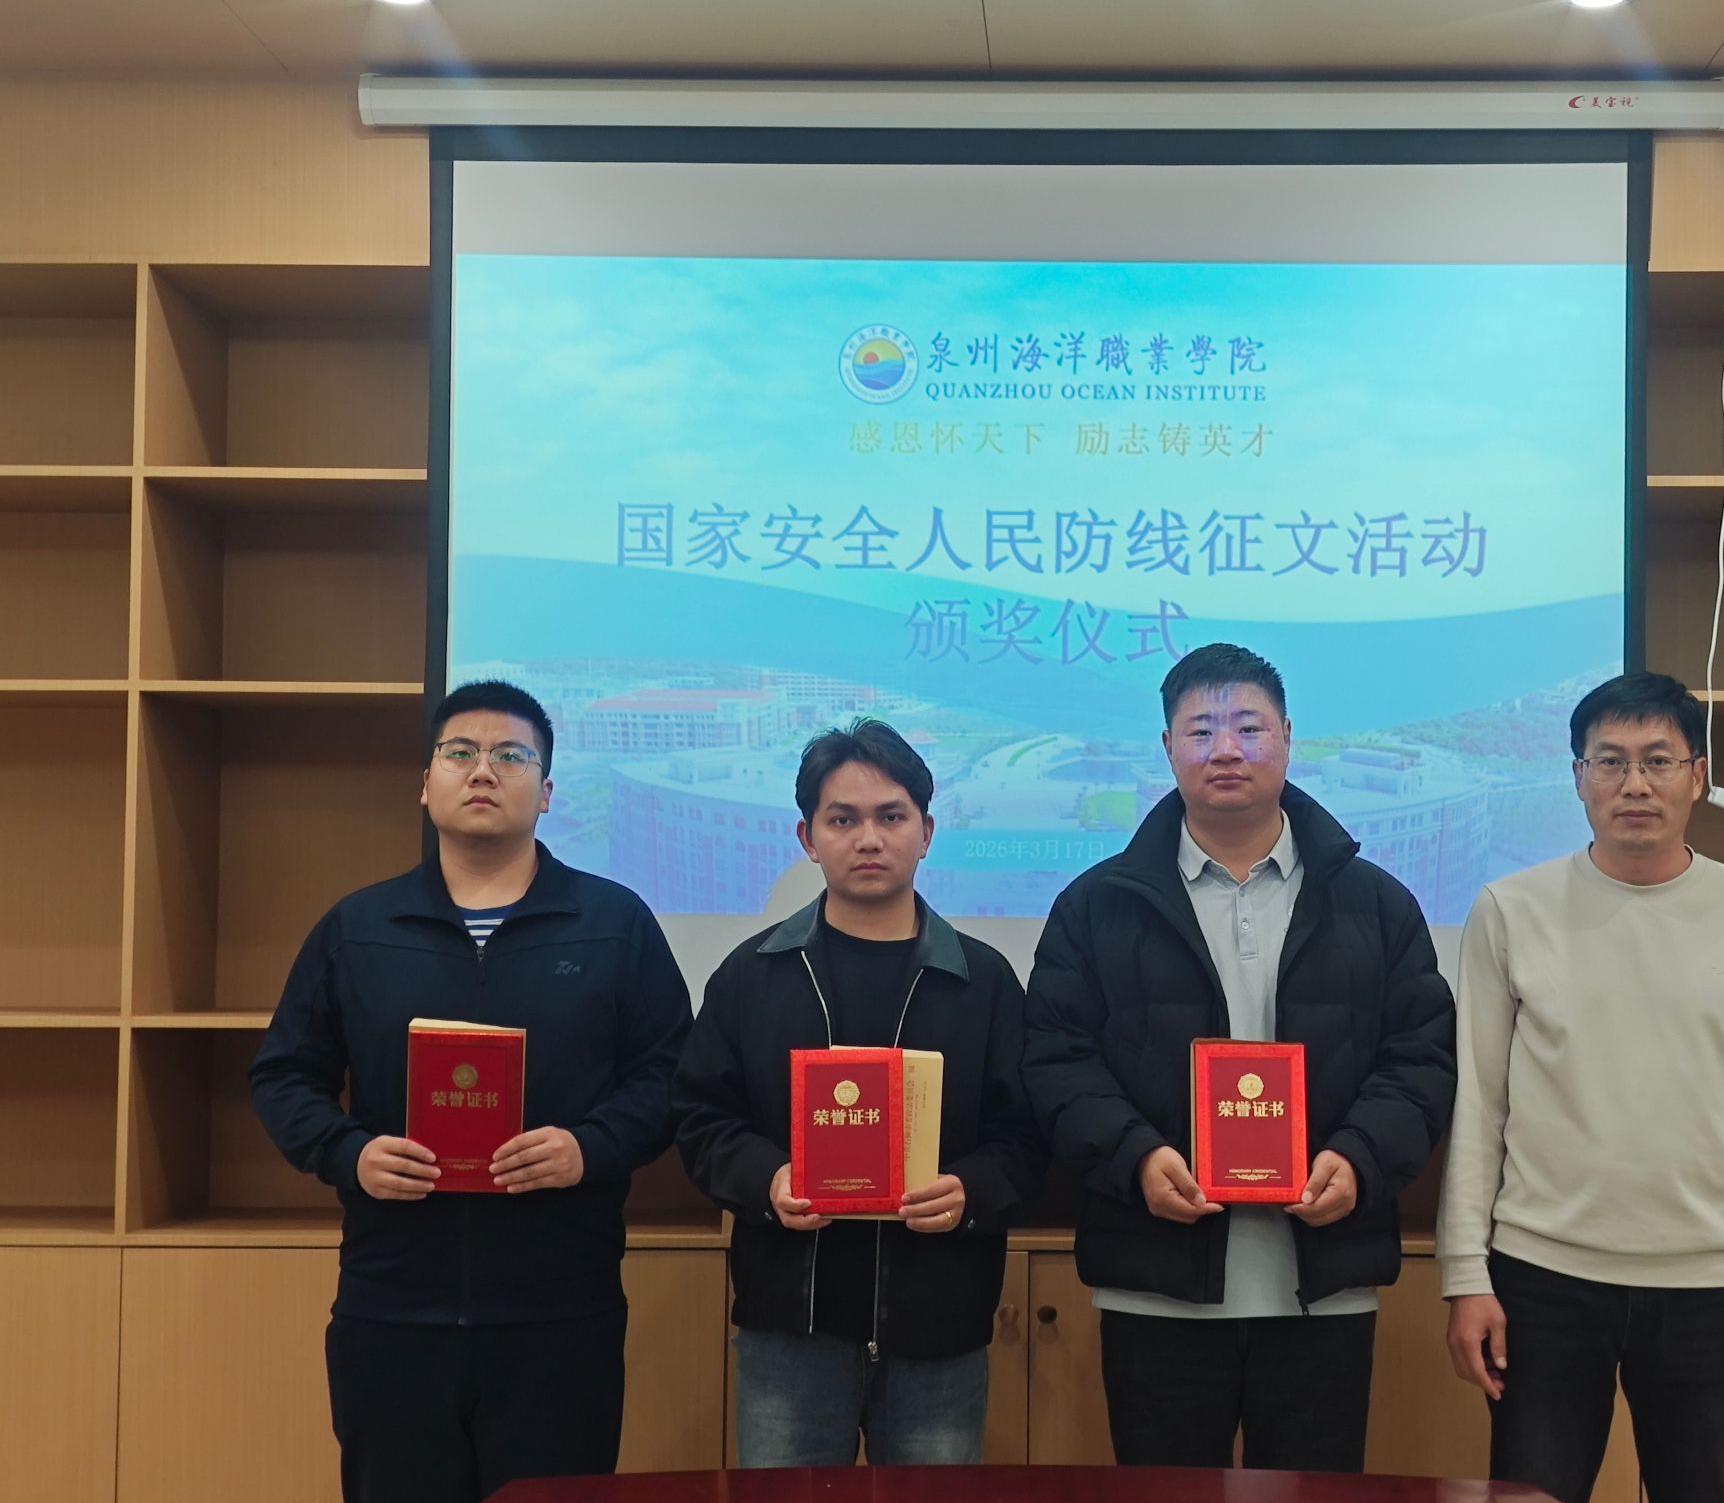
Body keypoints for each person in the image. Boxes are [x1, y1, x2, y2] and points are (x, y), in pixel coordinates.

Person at [249, 680, 693, 1503]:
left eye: (510, 755)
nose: (483, 770)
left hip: (561, 1312)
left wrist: (588, 1147)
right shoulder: (360, 927)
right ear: (426, 783)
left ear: (547, 792)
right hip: (393, 1305)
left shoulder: (614, 923)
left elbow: (671, 1073)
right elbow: (283, 1074)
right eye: (460, 752)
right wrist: (349, 1153)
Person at [1022, 642, 1456, 1471]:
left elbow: (1421, 1056)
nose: (1226, 749)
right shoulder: (1097, 907)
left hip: (1322, 1288)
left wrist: (1359, 1159)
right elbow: (1056, 1059)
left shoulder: (1376, 904)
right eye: (1201, 730)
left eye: (1249, 727)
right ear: (1167, 747)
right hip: (1156, 1284)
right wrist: (1136, 1157)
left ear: (1288, 737)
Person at [1436, 671, 1724, 1503]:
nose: (1634, 783)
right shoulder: (1510, 909)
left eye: (1658, 760)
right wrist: (1466, 1274)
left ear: (1699, 776)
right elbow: (1480, 1108)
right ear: (1578, 777)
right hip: (1540, 1276)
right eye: (1609, 761)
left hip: (1707, 1285)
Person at [673, 717, 1043, 1466]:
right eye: (842, 820)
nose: (868, 839)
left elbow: (1028, 1135)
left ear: (927, 832)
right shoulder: (754, 974)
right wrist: (767, 1180)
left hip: (939, 1324)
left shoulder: (983, 981)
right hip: (791, 1324)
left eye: (891, 817)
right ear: (807, 838)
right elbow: (701, 1118)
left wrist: (970, 1191)